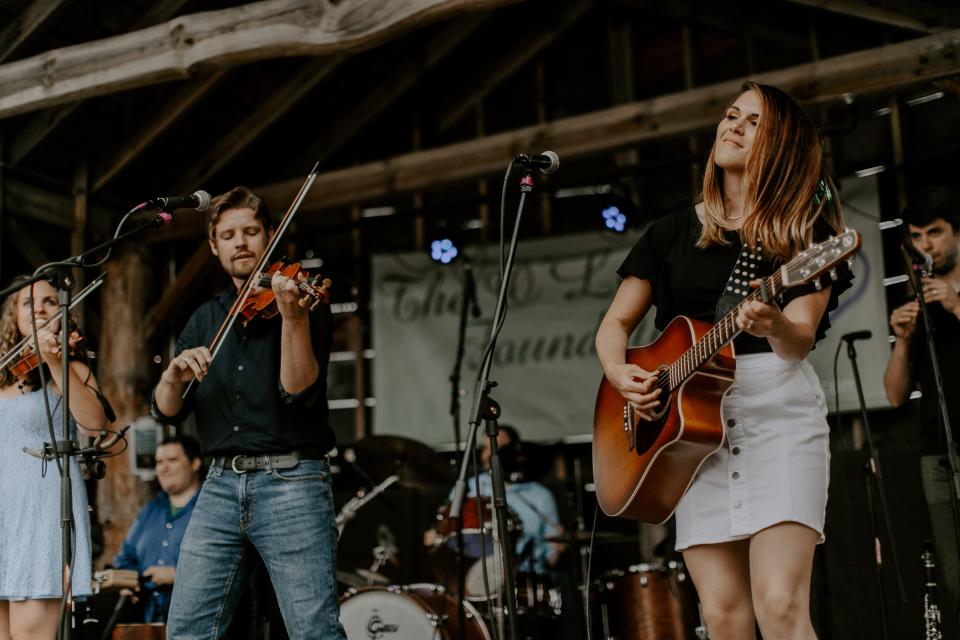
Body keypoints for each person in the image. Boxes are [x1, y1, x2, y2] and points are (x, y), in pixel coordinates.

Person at [595, 81, 851, 640]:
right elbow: (615, 326)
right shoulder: (670, 232)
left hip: (776, 415)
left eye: (752, 121)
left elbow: (798, 341)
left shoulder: (807, 233)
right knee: (723, 617)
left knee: (780, 606)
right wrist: (620, 373)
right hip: (690, 434)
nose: (731, 126)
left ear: (781, 143)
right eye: (730, 115)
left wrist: (773, 322)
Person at [152, 186, 345, 639]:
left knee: (313, 631)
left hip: (291, 482)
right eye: (229, 234)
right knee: (186, 630)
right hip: (219, 487)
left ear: (270, 236)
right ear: (214, 246)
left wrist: (292, 319)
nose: (241, 242)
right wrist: (172, 377)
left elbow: (299, 391)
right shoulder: (204, 318)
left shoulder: (301, 303)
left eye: (251, 231)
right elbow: (168, 412)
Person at [0, 277, 110, 639]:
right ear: (13, 315)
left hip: (40, 511)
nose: (41, 309)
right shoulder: (3, 372)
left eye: (49, 301)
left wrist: (52, 358)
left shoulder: (70, 369)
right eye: (29, 303)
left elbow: (94, 424)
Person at [882, 187, 960, 633]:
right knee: (953, 573)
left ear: (955, 234)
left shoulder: (948, 297)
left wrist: (954, 302)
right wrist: (903, 340)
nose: (927, 245)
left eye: (936, 233)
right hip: (936, 452)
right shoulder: (916, 305)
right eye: (917, 236)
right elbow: (895, 395)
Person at [112, 435, 203, 623]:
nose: (163, 468)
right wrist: (127, 583)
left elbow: (228, 565)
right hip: (147, 620)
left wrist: (177, 575)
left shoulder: (212, 509)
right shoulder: (150, 510)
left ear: (195, 463)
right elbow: (125, 558)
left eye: (172, 460)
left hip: (197, 620)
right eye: (159, 462)